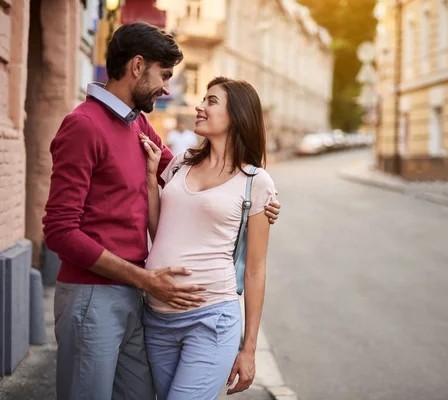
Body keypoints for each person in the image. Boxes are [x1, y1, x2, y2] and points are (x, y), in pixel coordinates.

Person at [42, 23, 280, 400]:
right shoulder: (83, 126)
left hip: (140, 300)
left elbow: (188, 181)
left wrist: (255, 199)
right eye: (164, 75)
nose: (167, 89)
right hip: (93, 296)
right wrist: (143, 279)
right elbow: (59, 231)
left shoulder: (136, 122)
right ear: (137, 66)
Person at [138, 76, 274, 400]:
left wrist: (249, 349)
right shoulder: (182, 163)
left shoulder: (256, 182)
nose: (199, 107)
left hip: (211, 319)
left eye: (211, 101)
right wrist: (149, 178)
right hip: (157, 319)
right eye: (203, 99)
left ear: (236, 116)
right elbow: (161, 234)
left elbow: (255, 270)